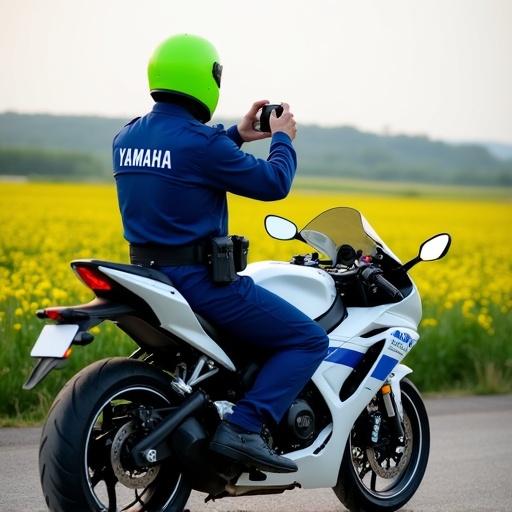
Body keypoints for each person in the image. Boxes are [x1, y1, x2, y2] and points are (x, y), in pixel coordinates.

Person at [112, 34, 329, 473]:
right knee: (308, 339)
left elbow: (182, 158)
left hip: (150, 278)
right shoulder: (201, 144)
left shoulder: (127, 135)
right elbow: (274, 183)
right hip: (201, 284)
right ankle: (245, 427)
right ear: (208, 79)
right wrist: (281, 138)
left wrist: (237, 134)